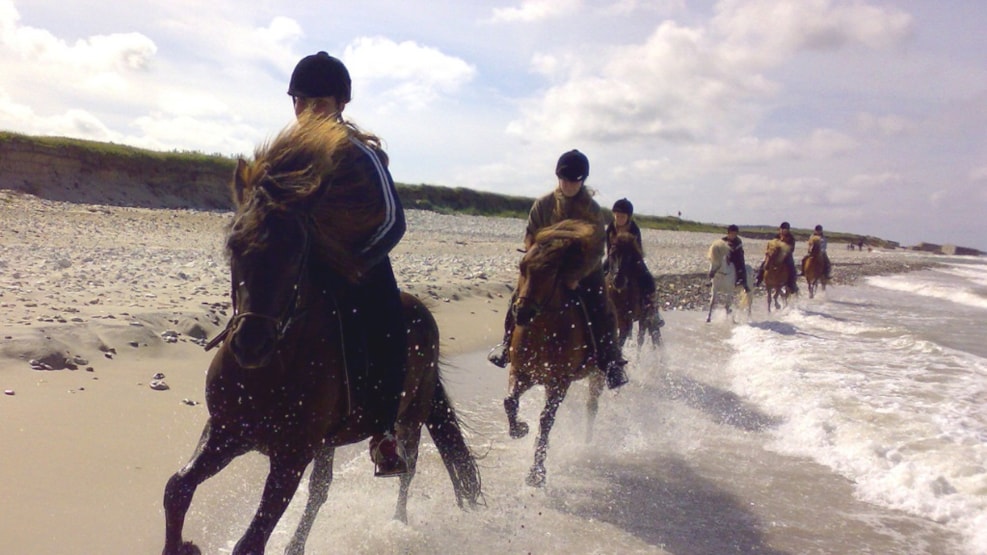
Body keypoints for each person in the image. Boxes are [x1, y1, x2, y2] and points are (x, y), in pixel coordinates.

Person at [287, 51, 409, 477]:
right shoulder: (288, 154)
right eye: (303, 100)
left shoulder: (360, 153)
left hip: (361, 265)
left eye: (320, 101)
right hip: (302, 266)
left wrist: (354, 266)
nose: (309, 109)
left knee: (391, 326)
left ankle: (384, 432)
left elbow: (394, 221)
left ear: (340, 103)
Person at [487, 150, 629, 390]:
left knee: (602, 307)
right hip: (546, 267)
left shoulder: (592, 210)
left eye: (574, 180)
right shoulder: (543, 205)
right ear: (558, 177)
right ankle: (506, 345)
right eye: (564, 179)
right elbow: (530, 236)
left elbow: (596, 250)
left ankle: (611, 360)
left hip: (582, 269)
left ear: (582, 181)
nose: (569, 184)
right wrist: (537, 261)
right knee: (519, 297)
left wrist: (574, 277)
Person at [605, 198, 661, 322]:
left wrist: (630, 261)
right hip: (614, 257)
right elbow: (608, 248)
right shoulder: (610, 228)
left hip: (632, 258)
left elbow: (638, 250)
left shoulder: (634, 229)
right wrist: (611, 259)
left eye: (622, 216)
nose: (619, 219)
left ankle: (652, 309)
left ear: (628, 217)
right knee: (597, 275)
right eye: (617, 216)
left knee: (648, 279)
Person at [755, 221, 799, 293]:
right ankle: (758, 279)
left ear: (787, 230)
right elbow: (772, 245)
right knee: (764, 263)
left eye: (785, 230)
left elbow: (791, 249)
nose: (783, 231)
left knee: (791, 267)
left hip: (786, 256)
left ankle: (792, 284)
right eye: (782, 229)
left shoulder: (791, 238)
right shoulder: (777, 236)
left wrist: (785, 250)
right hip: (775, 254)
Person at [720, 224, 749, 291]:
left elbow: (733, 249)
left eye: (735, 234)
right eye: (731, 233)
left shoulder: (738, 241)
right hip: (726, 255)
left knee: (741, 264)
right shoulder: (723, 240)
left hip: (736, 255)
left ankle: (742, 280)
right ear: (728, 233)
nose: (733, 235)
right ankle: (711, 278)